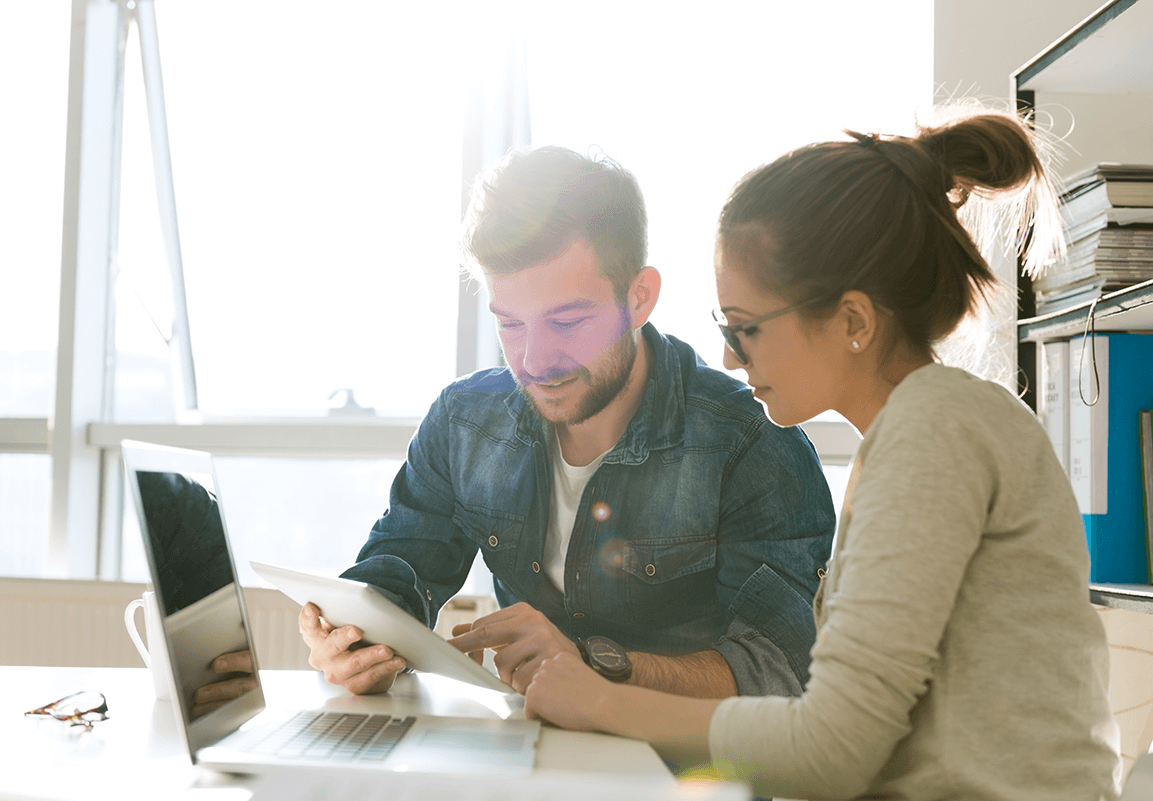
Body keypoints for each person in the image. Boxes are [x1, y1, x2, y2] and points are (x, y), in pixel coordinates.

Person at [521, 112, 1124, 800]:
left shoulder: (936, 431)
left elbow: (832, 749)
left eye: (745, 328)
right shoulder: (918, 430)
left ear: (854, 322)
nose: (726, 356)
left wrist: (601, 701)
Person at [299, 145, 836, 700]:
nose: (534, 362)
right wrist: (354, 642)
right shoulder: (464, 422)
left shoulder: (751, 444)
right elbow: (398, 571)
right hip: (531, 754)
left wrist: (590, 666)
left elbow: (780, 673)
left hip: (682, 773)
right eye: (511, 325)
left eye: (567, 321)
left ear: (640, 297)